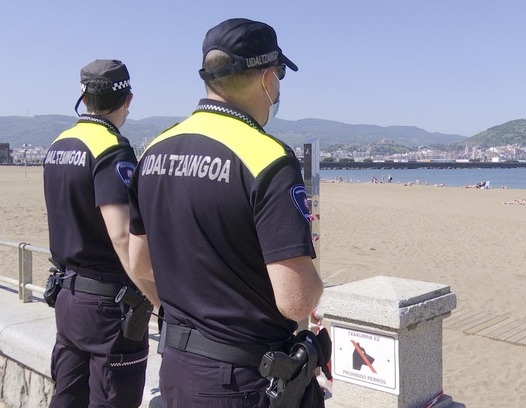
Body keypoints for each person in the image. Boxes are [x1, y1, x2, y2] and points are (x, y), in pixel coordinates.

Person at [127, 18, 325, 407]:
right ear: (268, 79)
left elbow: (139, 263)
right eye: (280, 75)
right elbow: (295, 300)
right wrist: (319, 297)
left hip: (177, 366)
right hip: (244, 379)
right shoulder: (268, 158)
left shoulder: (155, 150)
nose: (279, 86)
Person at [42, 59, 149, 407]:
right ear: (128, 100)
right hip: (108, 305)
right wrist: (158, 295)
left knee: (68, 395)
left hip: (67, 295)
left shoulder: (60, 144)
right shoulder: (112, 149)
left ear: (83, 96)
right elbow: (121, 236)